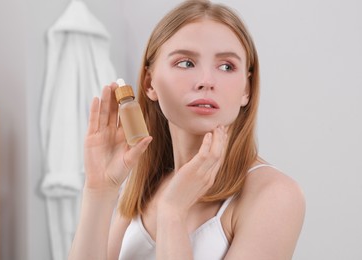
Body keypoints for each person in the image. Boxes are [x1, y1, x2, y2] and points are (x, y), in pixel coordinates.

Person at [68, 0, 305, 259]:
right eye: (186, 63)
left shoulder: (275, 195)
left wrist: (173, 213)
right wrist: (99, 189)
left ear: (246, 90)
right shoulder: (144, 185)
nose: (206, 81)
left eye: (226, 66)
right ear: (150, 84)